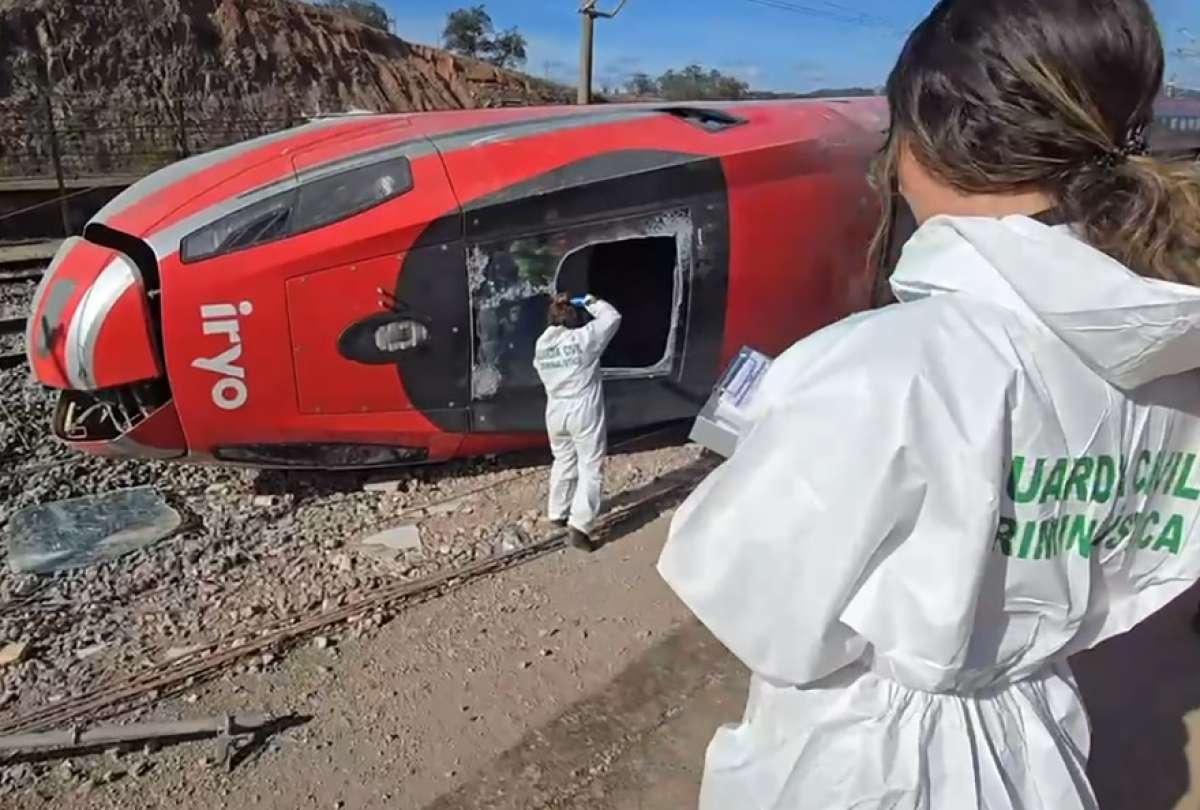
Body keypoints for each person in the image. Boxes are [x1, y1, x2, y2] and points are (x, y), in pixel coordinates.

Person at [657, 1, 1200, 808]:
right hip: (1041, 743)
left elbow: (763, 610)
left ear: (932, 139)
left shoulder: (879, 367)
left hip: (866, 767)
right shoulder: (1167, 359)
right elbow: (1137, 567)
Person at [533, 293, 622, 552]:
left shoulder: (541, 345)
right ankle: (580, 525)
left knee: (563, 459)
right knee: (591, 466)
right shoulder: (584, 339)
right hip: (582, 410)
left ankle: (557, 512)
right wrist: (589, 300)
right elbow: (612, 317)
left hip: (555, 410)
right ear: (574, 321)